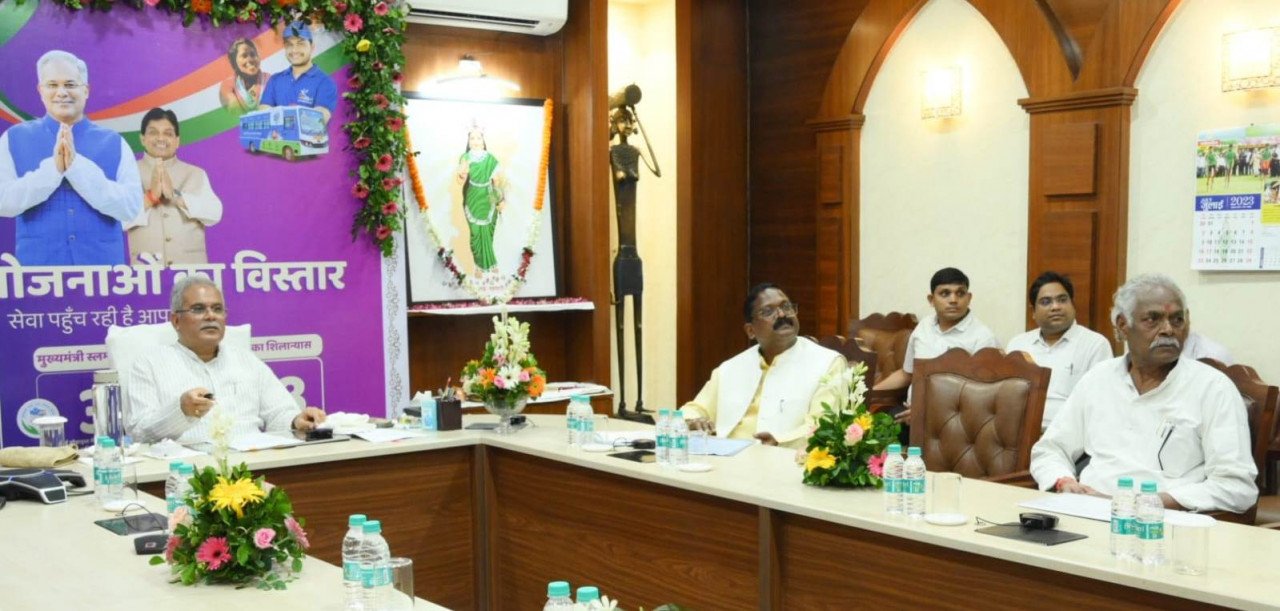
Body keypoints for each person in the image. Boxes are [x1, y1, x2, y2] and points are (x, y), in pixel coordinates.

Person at [1029, 273, 1256, 513]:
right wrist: (1064, 482)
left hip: (1161, 520)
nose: (1168, 330)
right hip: (1087, 511)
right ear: (1122, 325)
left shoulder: (1213, 388)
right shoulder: (1098, 379)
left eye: (1177, 320)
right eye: (1153, 320)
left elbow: (1236, 486)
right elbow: (1050, 449)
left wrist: (1143, 503)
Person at [126, 274, 326, 444]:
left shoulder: (247, 361)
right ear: (176, 320)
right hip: (188, 470)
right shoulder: (149, 365)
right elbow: (139, 433)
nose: (210, 316)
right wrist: (181, 411)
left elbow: (278, 413)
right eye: (198, 309)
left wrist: (296, 421)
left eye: (217, 309)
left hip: (252, 465)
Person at [0, 50, 141, 265]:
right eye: (52, 85)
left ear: (86, 90)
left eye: (70, 84)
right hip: (39, 272)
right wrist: (52, 171)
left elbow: (130, 208)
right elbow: (3, 202)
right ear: (40, 91)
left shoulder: (114, 142)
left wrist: (78, 168)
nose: (61, 92)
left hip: (102, 271)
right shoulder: (14, 139)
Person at [679, 283, 844, 449]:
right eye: (768, 311)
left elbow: (823, 425)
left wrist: (779, 441)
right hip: (723, 457)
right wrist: (692, 421)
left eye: (786, 307)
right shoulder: (730, 368)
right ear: (750, 330)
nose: (781, 314)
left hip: (784, 459)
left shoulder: (828, 363)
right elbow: (696, 409)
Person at [872, 267, 999, 421]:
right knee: (866, 427)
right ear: (931, 300)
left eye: (960, 293)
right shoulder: (924, 327)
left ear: (969, 298)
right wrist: (869, 392)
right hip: (910, 414)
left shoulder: (983, 337)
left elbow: (984, 394)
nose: (953, 300)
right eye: (945, 293)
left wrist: (929, 411)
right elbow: (907, 374)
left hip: (956, 421)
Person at [1005, 272, 1113, 430]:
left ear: (1073, 305)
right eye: (1046, 302)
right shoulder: (1018, 344)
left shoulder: (1094, 345)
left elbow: (1100, 403)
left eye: (1062, 300)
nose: (1055, 307)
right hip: (1020, 432)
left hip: (1071, 435)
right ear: (1033, 311)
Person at [126, 108, 223, 266]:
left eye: (168, 133)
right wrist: (150, 198)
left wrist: (176, 197)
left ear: (177, 140)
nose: (160, 138)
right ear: (142, 139)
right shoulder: (128, 173)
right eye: (153, 132)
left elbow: (215, 213)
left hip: (191, 271)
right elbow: (119, 220)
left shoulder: (195, 173)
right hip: (145, 271)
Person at [260, 22, 337, 124]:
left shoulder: (324, 82)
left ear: (312, 47)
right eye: (289, 44)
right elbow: (264, 114)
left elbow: (319, 120)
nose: (294, 50)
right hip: (277, 135)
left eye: (300, 44)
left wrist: (279, 117)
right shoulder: (275, 80)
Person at [455, 125, 504, 273]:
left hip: (488, 197)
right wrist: (462, 172)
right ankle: (478, 266)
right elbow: (460, 180)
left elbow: (497, 181)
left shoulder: (490, 159)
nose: (475, 141)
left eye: (478, 138)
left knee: (487, 233)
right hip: (472, 198)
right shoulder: (465, 157)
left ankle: (491, 264)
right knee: (475, 233)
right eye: (472, 138)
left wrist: (500, 199)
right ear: (468, 141)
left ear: (483, 141)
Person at [219, 37, 270, 114]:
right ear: (234, 62)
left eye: (253, 54)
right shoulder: (228, 85)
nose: (250, 59)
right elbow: (235, 114)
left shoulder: (269, 80)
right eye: (244, 56)